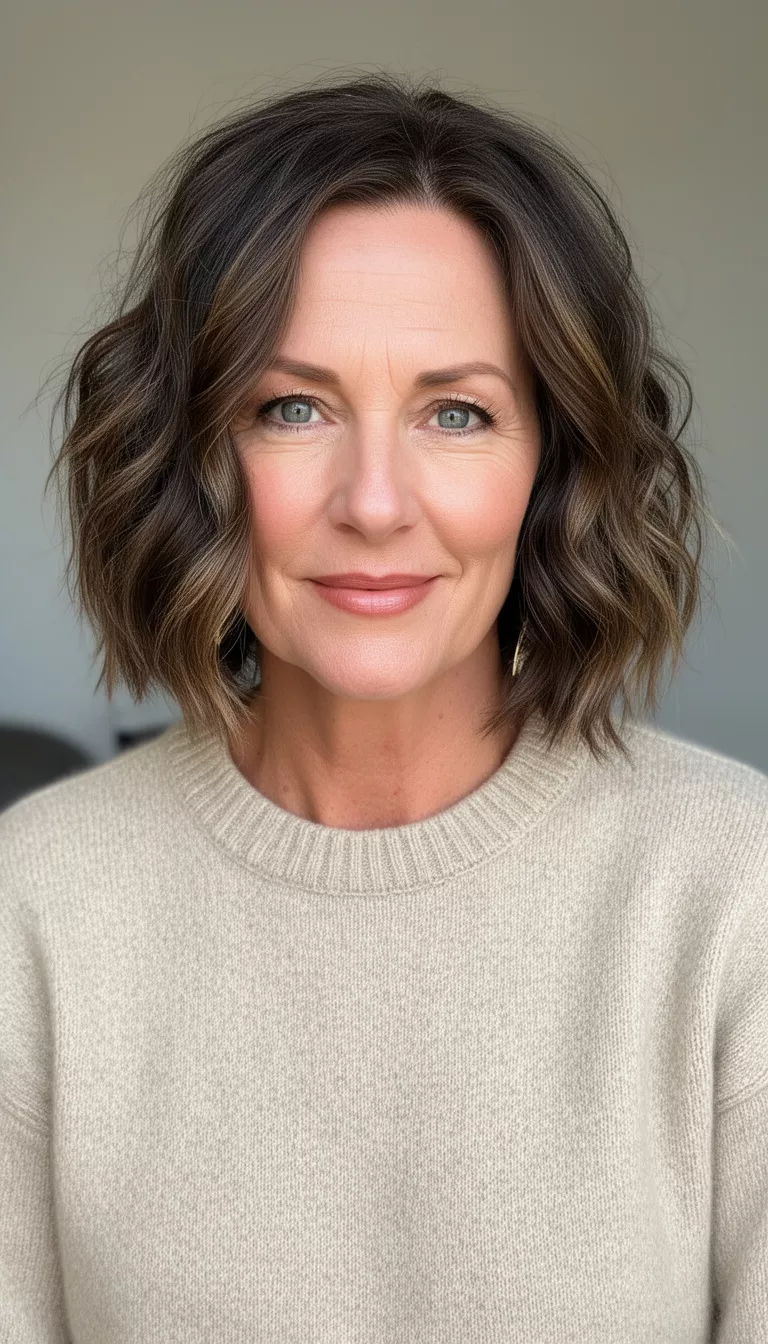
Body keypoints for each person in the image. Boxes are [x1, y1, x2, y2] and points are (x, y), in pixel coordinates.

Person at [1, 73, 766, 1343]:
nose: (371, 500)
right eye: (289, 407)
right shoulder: (31, 910)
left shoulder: (736, 892)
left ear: (554, 464)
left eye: (455, 412)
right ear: (191, 455)